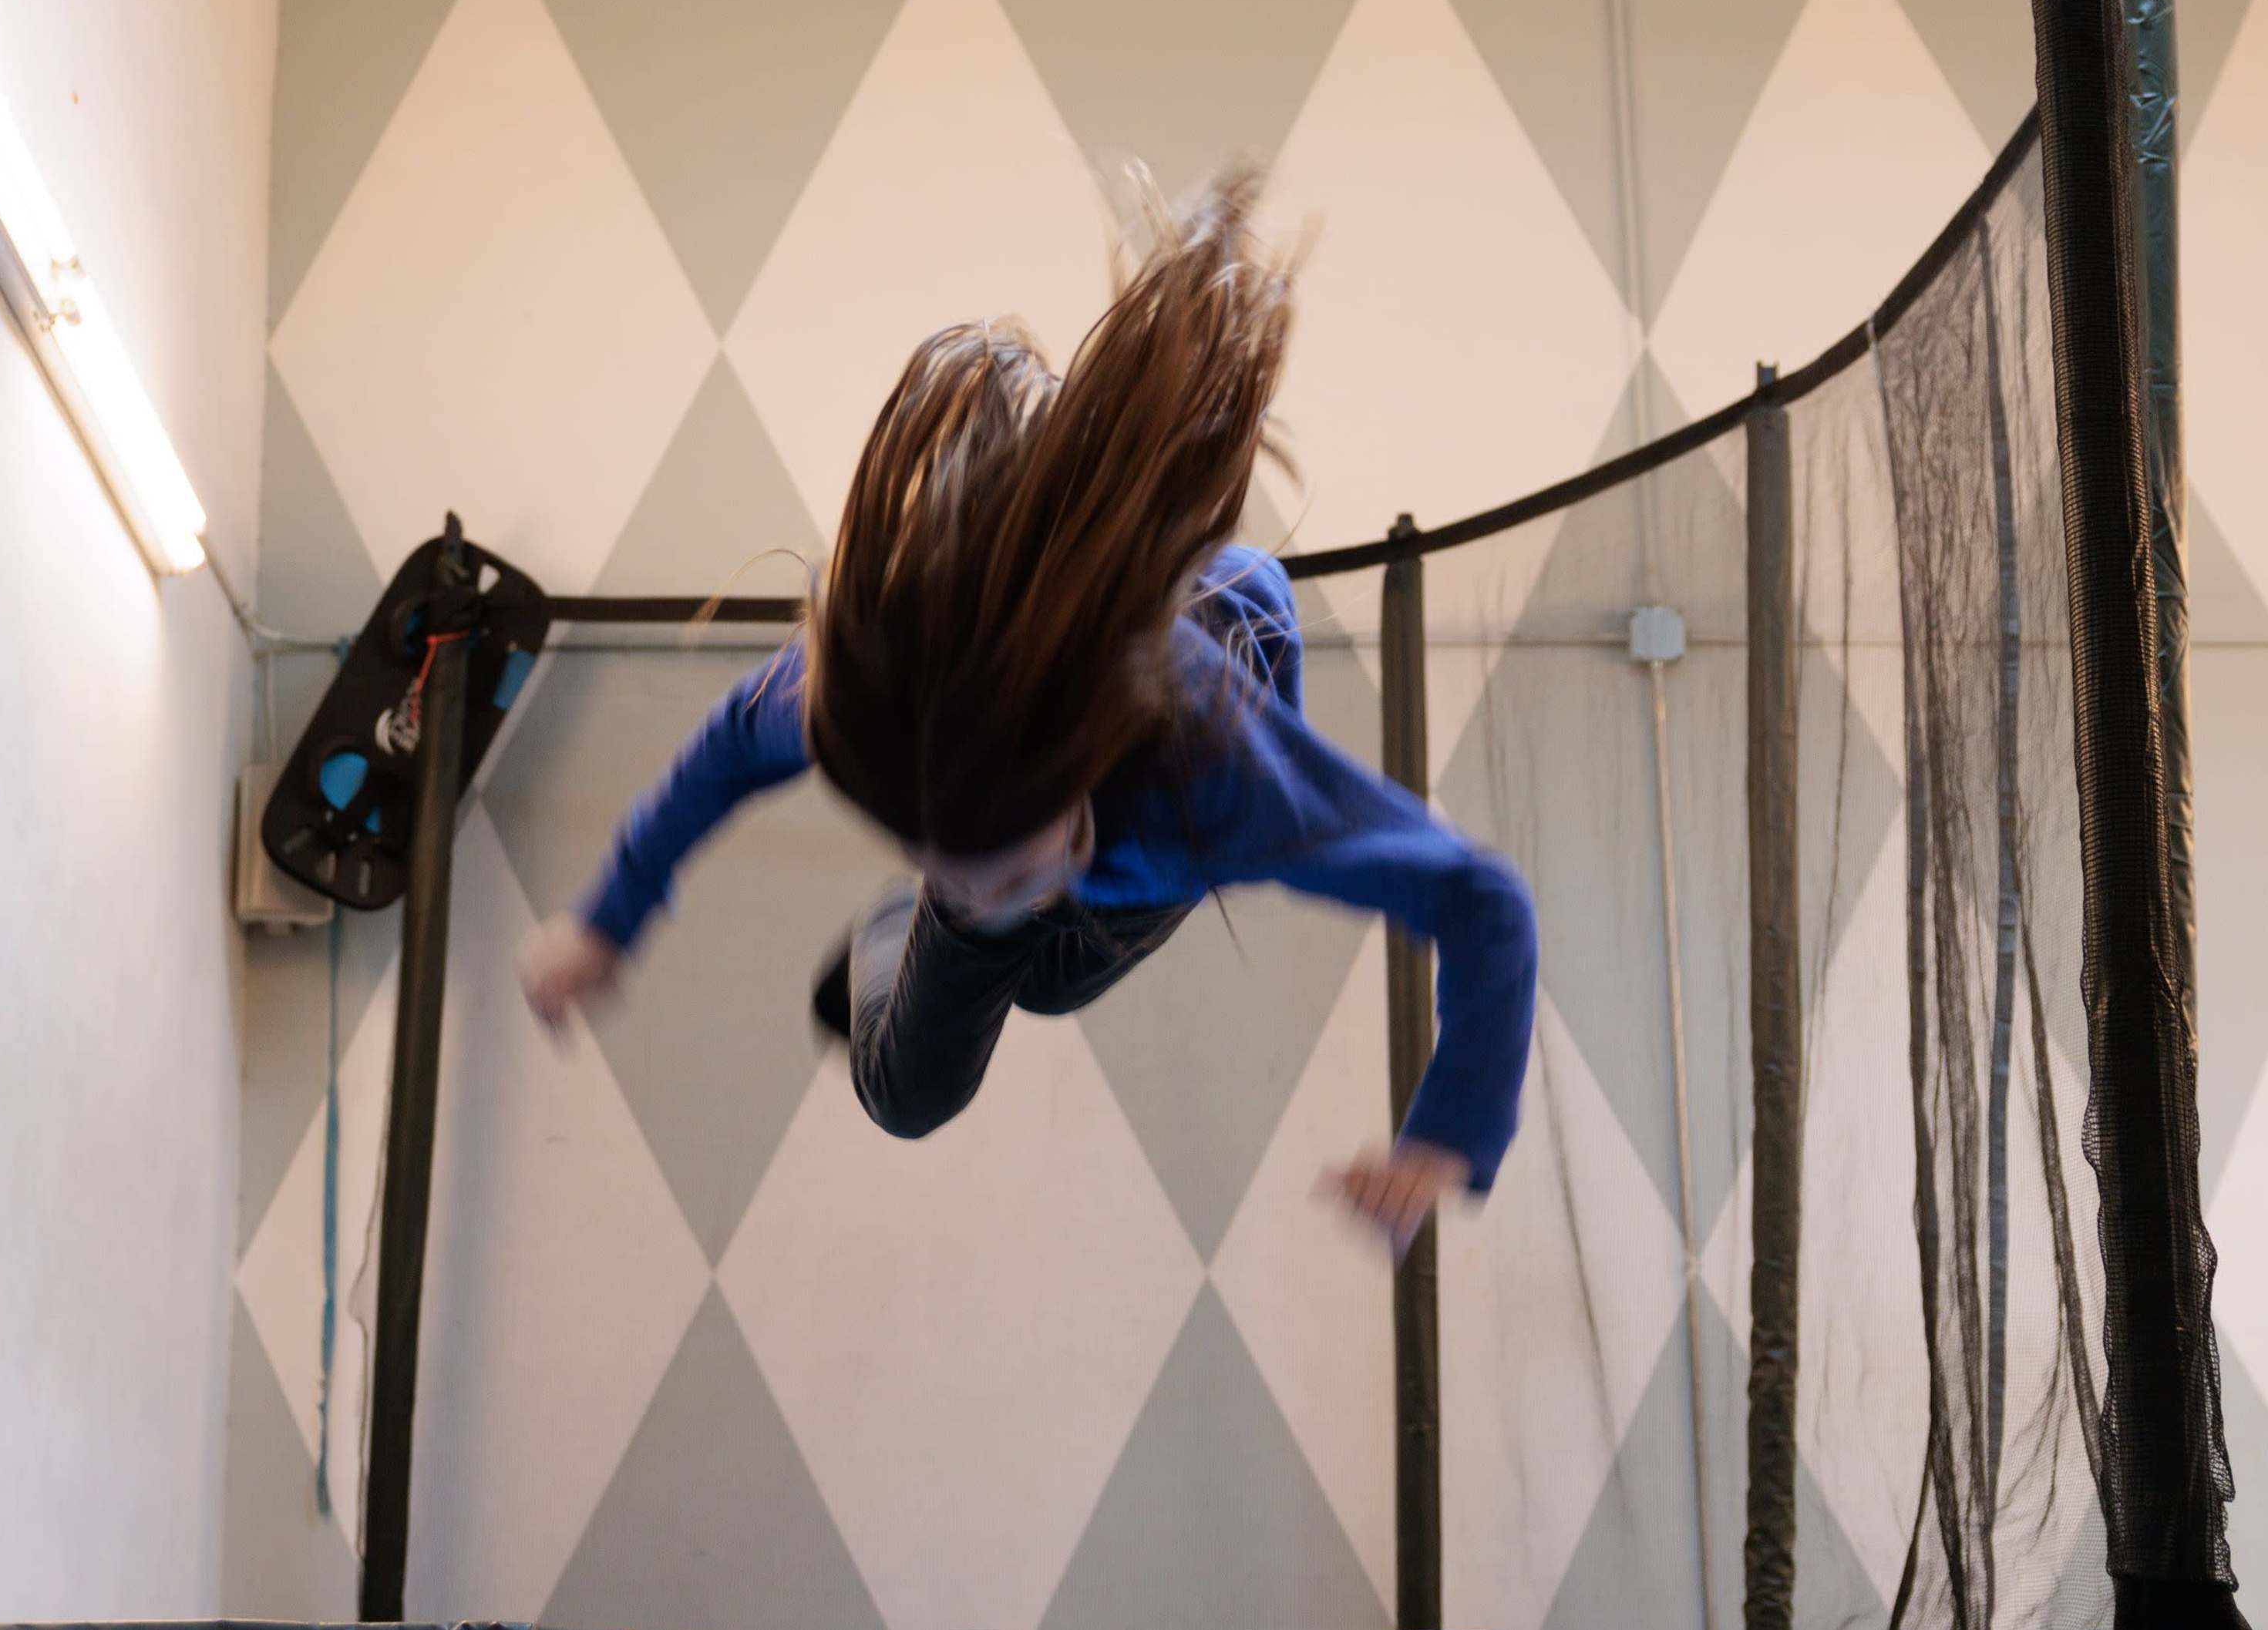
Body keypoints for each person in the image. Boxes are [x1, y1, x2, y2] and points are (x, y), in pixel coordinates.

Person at [517, 168, 1536, 1252]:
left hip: (1156, 816)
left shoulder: (1215, 777)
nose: (977, 888)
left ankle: (958, 910)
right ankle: (902, 928)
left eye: (997, 867)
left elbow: (1481, 899)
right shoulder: (882, 696)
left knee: (1049, 981)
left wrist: (1445, 1136)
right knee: (913, 1095)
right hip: (1063, 744)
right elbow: (728, 747)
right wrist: (604, 920)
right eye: (936, 857)